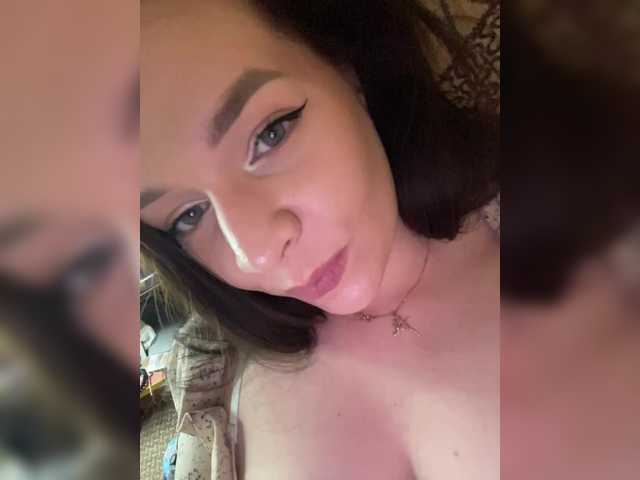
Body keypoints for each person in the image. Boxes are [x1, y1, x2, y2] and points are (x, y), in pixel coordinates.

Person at [140, 1, 500, 478]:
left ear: (347, 67)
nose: (255, 253)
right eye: (189, 215)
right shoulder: (209, 384)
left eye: (270, 134)